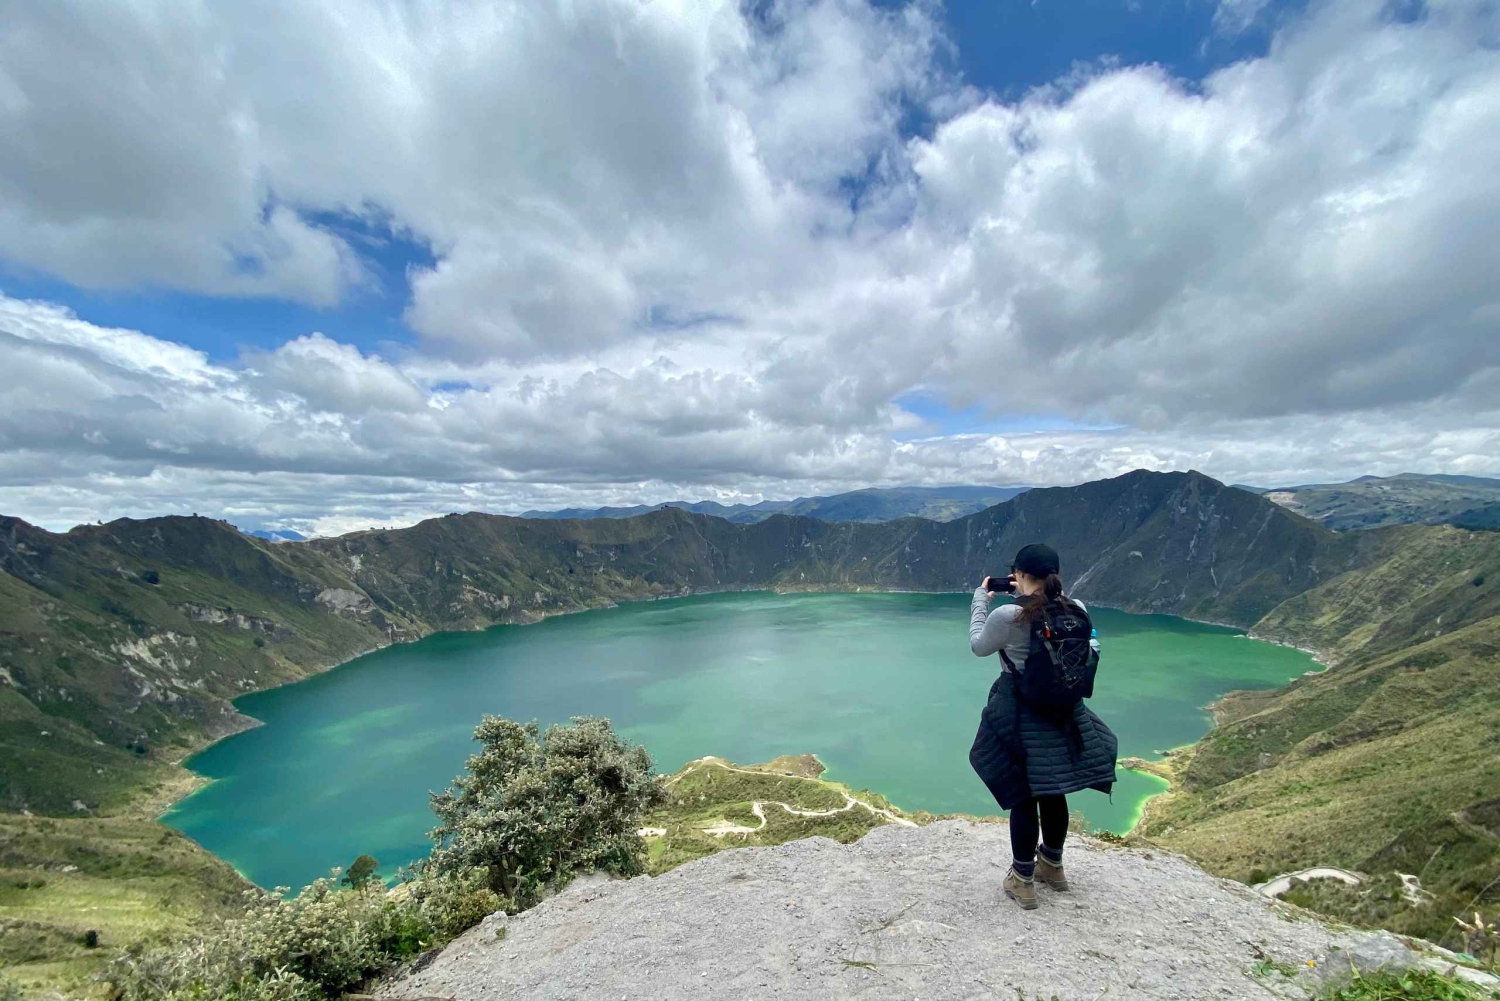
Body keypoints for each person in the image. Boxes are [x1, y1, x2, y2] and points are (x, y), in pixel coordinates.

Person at [966, 543, 1118, 911]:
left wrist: (979, 600)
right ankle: (1052, 865)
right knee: (1054, 788)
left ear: (1017, 575)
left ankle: (1023, 880)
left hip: (1020, 711)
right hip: (1064, 711)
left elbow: (978, 646)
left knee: (1023, 793)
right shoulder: (1076, 609)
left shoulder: (1008, 615)